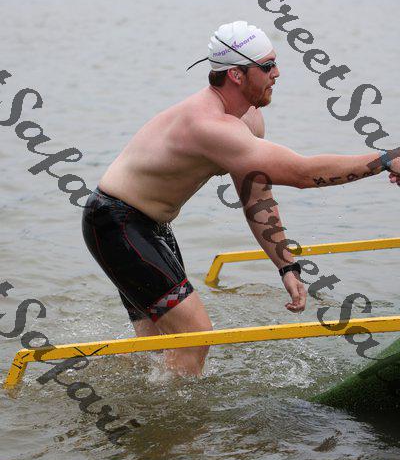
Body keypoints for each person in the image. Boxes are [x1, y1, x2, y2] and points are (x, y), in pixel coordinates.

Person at [82, 21, 400, 377]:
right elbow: (302, 174)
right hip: (115, 225)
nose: (277, 73)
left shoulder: (249, 120)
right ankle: (174, 410)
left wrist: (286, 266)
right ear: (235, 74)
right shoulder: (210, 126)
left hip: (148, 227)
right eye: (267, 66)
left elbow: (256, 197)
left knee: (155, 348)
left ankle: (132, 397)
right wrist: (385, 160)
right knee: (195, 336)